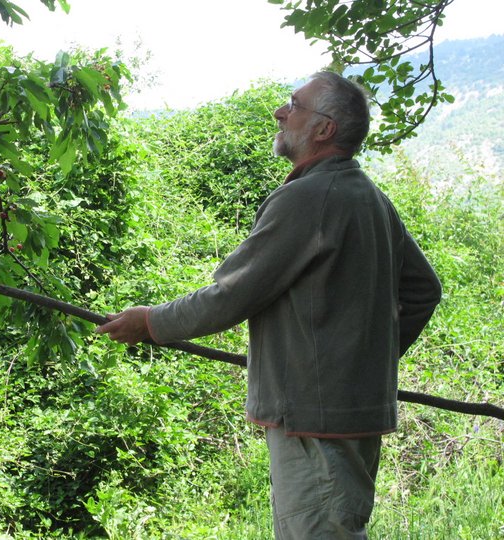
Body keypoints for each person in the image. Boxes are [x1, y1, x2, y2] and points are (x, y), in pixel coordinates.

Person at [94, 71, 442, 539]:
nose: (280, 113)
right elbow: (423, 290)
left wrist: (151, 322)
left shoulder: (308, 199)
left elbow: (232, 294)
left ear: (324, 129)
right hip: (341, 413)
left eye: (294, 105)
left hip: (313, 419)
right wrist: (358, 365)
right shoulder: (369, 197)